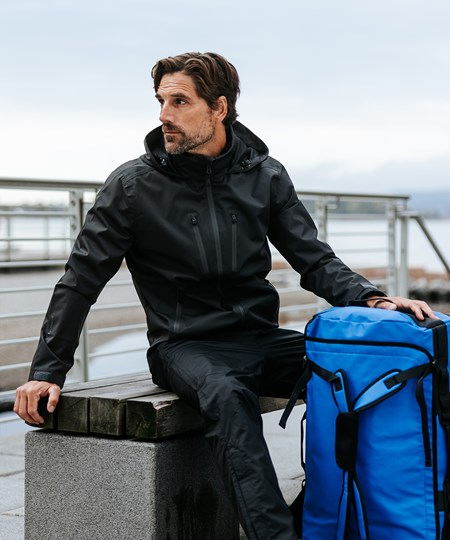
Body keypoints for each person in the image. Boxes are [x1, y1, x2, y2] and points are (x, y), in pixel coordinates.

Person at [14, 52, 435, 540]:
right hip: (185, 345)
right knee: (227, 395)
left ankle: (327, 512)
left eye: (179, 101)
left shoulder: (265, 175)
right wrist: (47, 371)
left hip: (260, 337)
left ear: (219, 108)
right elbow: (81, 280)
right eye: (160, 101)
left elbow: (314, 260)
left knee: (362, 365)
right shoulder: (132, 186)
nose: (164, 115)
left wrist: (373, 300)